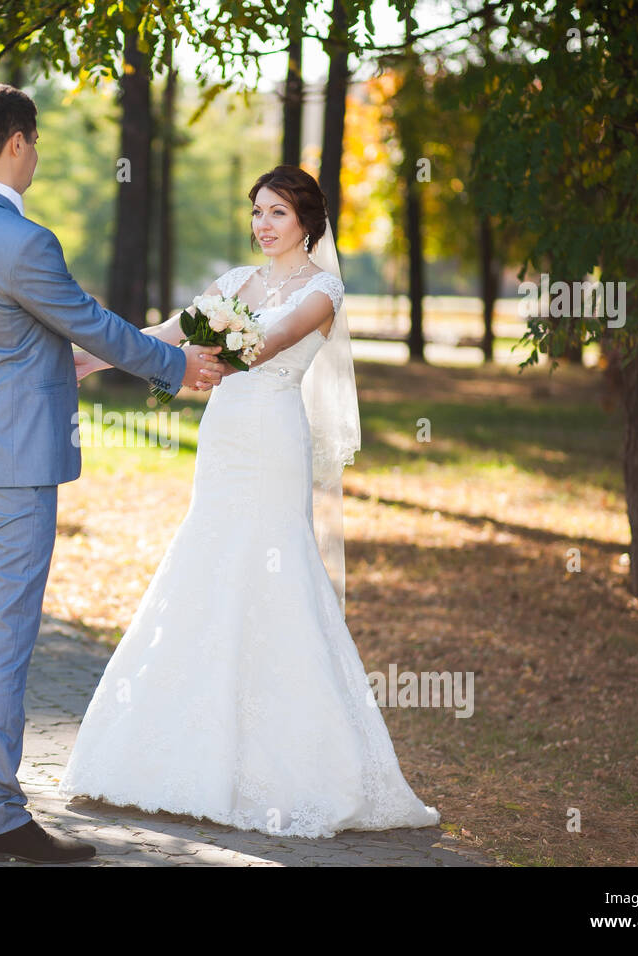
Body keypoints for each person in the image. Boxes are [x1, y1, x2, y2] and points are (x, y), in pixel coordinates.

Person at [60, 165, 441, 837]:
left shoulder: (324, 290)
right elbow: (170, 330)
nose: (264, 225)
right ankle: (175, 756)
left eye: (278, 214)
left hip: (271, 441)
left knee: (275, 573)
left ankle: (296, 765)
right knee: (205, 565)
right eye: (258, 212)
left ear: (307, 224)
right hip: (223, 442)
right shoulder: (235, 282)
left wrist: (199, 364)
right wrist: (95, 358)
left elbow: (275, 341)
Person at [0, 83, 230, 864]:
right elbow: (86, 321)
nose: (39, 157)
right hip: (14, 465)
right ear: (17, 142)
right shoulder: (25, 242)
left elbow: (5, 333)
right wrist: (175, 365)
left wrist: (65, 361)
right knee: (4, 639)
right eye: (37, 143)